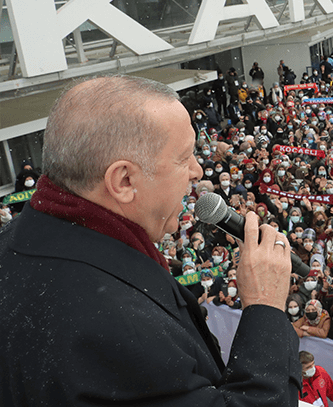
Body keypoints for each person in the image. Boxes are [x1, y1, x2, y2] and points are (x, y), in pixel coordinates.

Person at [0, 75, 301, 405]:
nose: (197, 171)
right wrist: (265, 308)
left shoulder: (18, 243)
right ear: (124, 180)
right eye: (183, 157)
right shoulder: (117, 329)